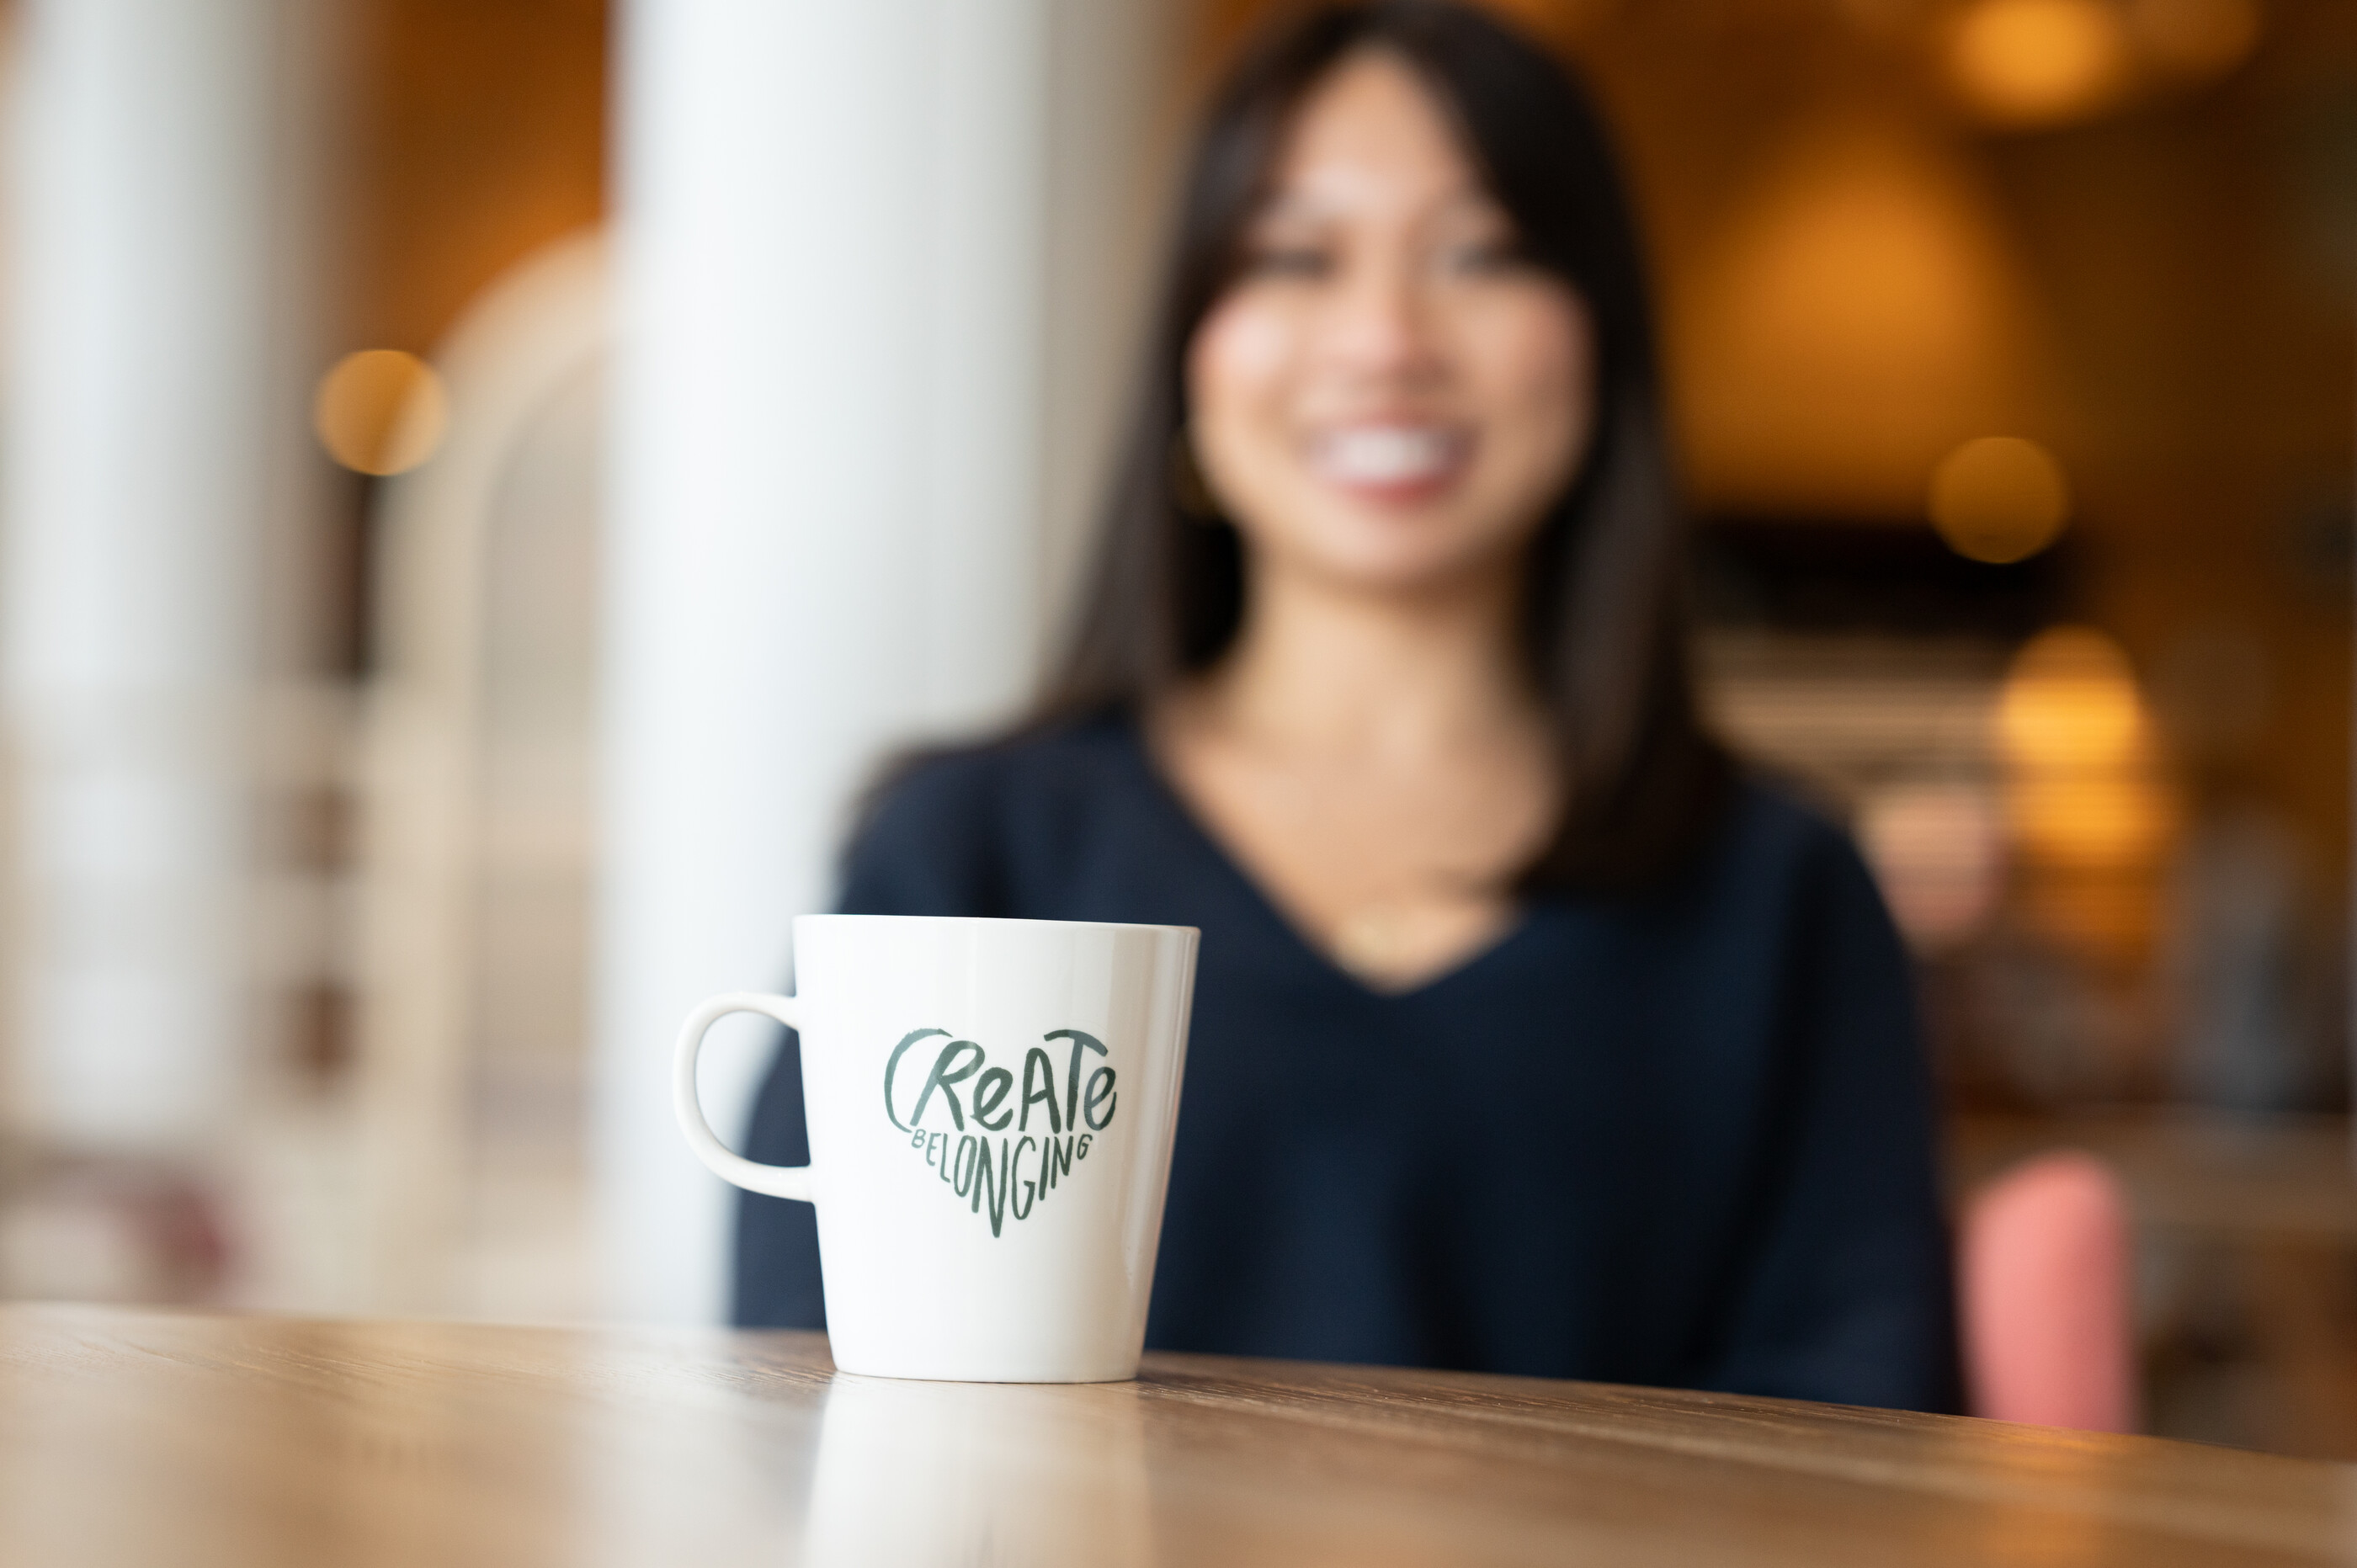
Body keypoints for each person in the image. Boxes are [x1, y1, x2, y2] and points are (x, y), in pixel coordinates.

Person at [737, 0, 1959, 1412]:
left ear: (1602, 340)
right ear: (1191, 347)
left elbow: (1866, 1428)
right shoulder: (971, 856)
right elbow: (799, 1401)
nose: (1385, 339)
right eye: (1295, 257)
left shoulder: (1781, 897)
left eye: (1482, 252)